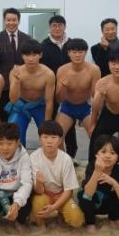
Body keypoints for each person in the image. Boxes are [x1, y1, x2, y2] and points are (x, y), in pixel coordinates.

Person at [0, 123, 33, 233]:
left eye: (9, 143)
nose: (5, 148)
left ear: (17, 142)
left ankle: (19, 222)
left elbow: (27, 184)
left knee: (26, 201)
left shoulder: (24, 157)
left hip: (15, 194)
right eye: (1, 143)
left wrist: (17, 204)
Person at [29, 121, 84, 229]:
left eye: (54, 137)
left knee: (77, 220)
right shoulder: (34, 157)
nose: (49, 141)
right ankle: (41, 223)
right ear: (40, 139)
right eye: (45, 137)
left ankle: (61, 214)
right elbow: (39, 191)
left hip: (61, 194)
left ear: (60, 140)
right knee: (37, 205)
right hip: (44, 194)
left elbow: (69, 190)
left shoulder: (66, 159)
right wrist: (39, 182)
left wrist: (54, 207)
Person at [76, 135, 119, 233]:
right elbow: (87, 195)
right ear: (96, 154)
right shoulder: (92, 166)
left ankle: (113, 218)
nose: (107, 156)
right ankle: (90, 222)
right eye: (103, 152)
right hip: (93, 204)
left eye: (112, 153)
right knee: (83, 197)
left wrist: (113, 182)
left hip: (108, 204)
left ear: (118, 157)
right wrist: (97, 171)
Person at [40, 15, 78, 160]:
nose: (57, 28)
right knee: (52, 121)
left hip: (70, 89)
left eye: (60, 25)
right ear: (50, 28)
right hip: (50, 89)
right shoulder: (43, 46)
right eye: (54, 26)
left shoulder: (72, 44)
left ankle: (71, 153)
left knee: (70, 122)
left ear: (64, 27)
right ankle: (54, 154)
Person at [6, 39, 55, 147]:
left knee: (48, 135)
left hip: (40, 105)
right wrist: (16, 82)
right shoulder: (16, 72)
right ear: (22, 56)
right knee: (15, 135)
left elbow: (49, 101)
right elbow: (13, 100)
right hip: (21, 104)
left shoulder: (48, 74)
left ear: (40, 55)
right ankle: (20, 156)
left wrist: (47, 123)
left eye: (34, 55)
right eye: (27, 55)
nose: (31, 59)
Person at [55, 38, 101, 149]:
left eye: (80, 52)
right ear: (68, 53)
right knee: (56, 137)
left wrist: (96, 115)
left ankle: (94, 159)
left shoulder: (94, 70)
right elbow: (59, 99)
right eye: (74, 52)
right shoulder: (62, 70)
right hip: (67, 106)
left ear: (85, 52)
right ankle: (64, 159)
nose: (77, 55)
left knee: (96, 138)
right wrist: (64, 88)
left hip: (86, 106)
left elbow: (95, 95)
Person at [0, 8, 32, 122]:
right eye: (8, 20)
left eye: (14, 20)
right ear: (4, 21)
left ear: (19, 21)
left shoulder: (27, 38)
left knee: (20, 116)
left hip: (22, 82)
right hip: (3, 83)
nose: (11, 23)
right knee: (4, 116)